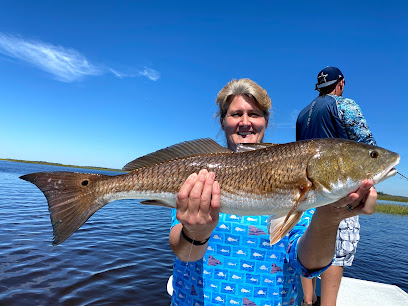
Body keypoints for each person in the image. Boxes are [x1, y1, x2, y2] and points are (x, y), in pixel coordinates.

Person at [169, 78, 377, 306]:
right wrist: (197, 233)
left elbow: (306, 265)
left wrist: (329, 217)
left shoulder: (298, 172)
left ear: (266, 122)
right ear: (223, 121)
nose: (245, 122)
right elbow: (183, 253)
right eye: (236, 114)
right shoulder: (198, 174)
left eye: (255, 114)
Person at [296, 66, 377, 306]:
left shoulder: (302, 113)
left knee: (305, 238)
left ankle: (307, 301)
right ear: (340, 83)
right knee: (338, 250)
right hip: (337, 188)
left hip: (305, 188)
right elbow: (366, 145)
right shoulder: (345, 105)